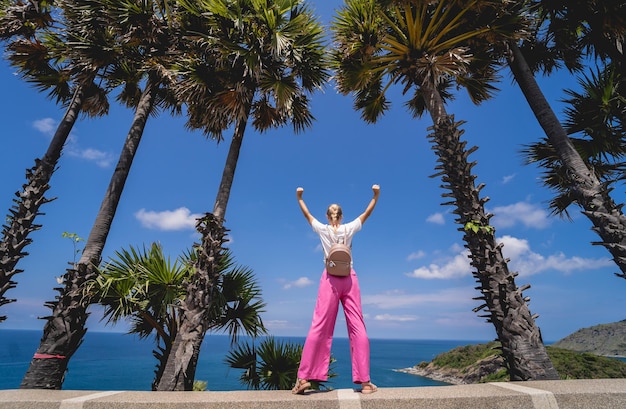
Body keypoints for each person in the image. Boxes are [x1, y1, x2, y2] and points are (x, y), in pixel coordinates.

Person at [292, 184, 380, 395]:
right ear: (341, 216)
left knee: (319, 326)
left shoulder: (322, 229)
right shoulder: (348, 228)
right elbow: (366, 213)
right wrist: (375, 195)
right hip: (349, 278)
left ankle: (303, 378)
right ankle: (365, 382)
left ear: (328, 215)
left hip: (330, 279)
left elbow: (306, 215)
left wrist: (299, 197)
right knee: (358, 327)